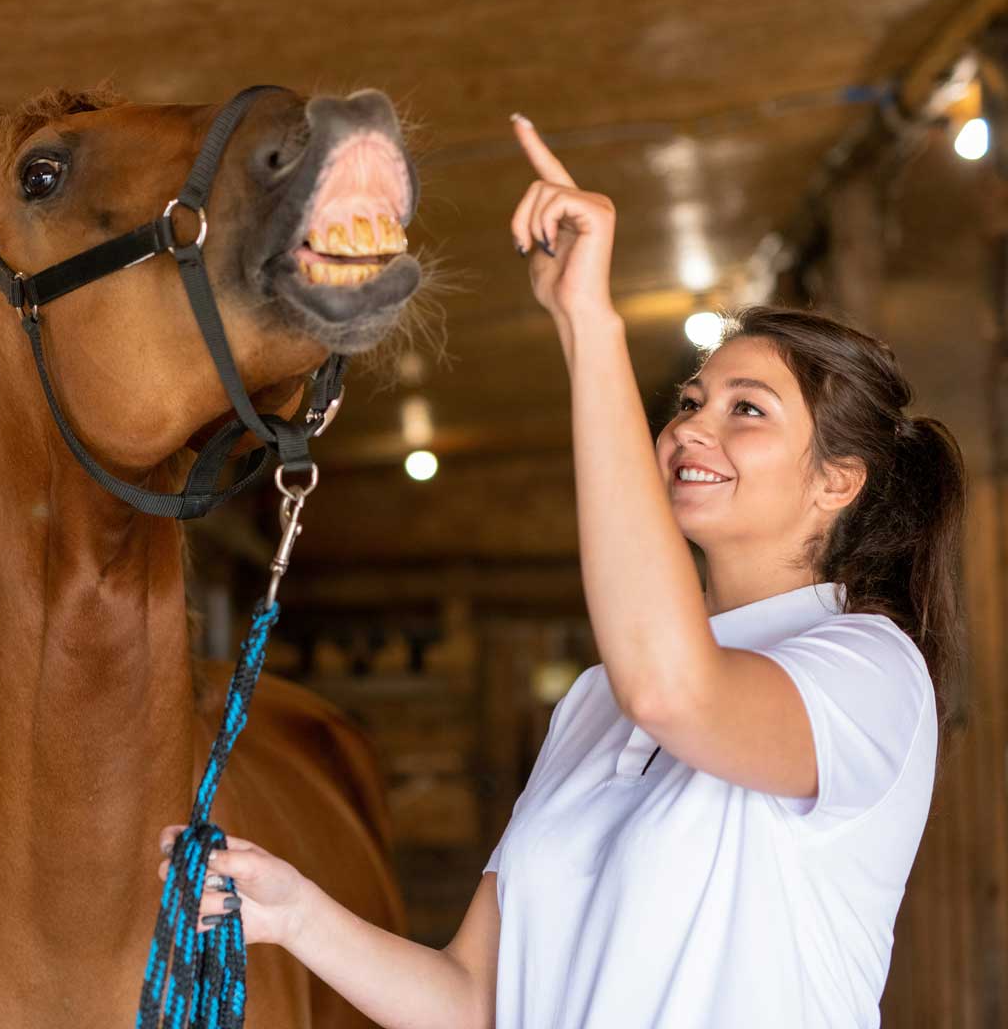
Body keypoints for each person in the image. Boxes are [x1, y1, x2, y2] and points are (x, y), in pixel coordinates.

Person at [156, 114, 966, 1028]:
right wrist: (294, 912)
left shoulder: (866, 671)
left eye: (749, 410)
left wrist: (589, 322)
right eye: (691, 400)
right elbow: (473, 1000)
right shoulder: (594, 702)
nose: (692, 426)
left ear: (838, 482)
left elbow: (678, 690)